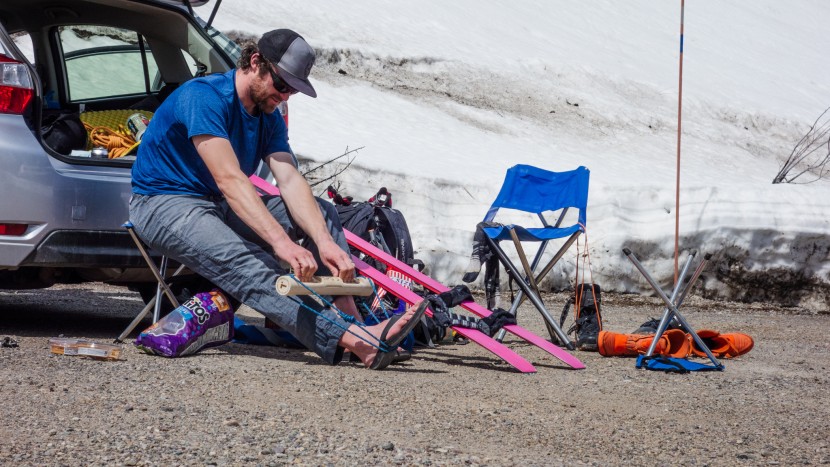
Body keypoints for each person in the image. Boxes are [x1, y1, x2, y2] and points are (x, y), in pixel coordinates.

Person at [129, 29, 424, 369]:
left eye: (294, 90)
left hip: (216, 204)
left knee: (322, 215)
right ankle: (359, 342)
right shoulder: (204, 96)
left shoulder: (267, 115)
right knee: (250, 261)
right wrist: (282, 244)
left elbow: (288, 178)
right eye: (282, 85)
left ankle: (362, 328)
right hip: (164, 203)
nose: (285, 97)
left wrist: (323, 241)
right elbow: (230, 179)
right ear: (256, 63)